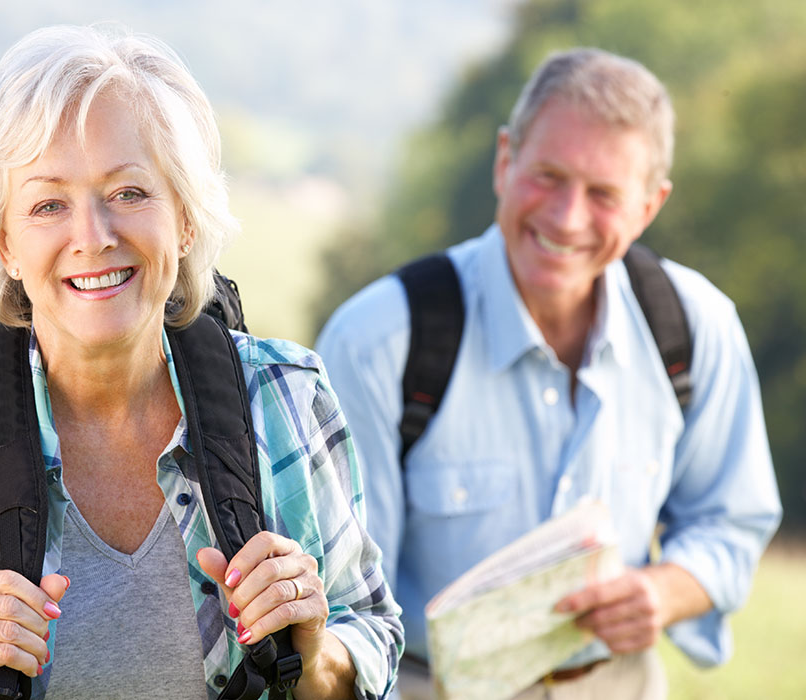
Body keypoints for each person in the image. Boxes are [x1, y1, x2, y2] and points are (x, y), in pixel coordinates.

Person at [0, 24, 402, 700]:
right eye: (48, 204)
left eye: (129, 193)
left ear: (184, 217)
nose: (93, 237)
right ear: (4, 245)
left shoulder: (291, 398)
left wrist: (315, 655)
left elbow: (372, 628)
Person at [316, 47, 781, 699]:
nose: (566, 217)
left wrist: (663, 591)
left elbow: (730, 522)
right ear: (505, 162)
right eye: (548, 176)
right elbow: (347, 610)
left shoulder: (696, 327)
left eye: (604, 194)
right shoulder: (377, 342)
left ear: (650, 206)